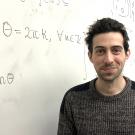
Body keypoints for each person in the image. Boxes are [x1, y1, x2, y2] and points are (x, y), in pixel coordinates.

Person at [57, 17, 135, 135]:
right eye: (100, 51)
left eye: (116, 50)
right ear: (90, 56)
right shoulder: (73, 98)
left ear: (127, 54)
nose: (108, 60)